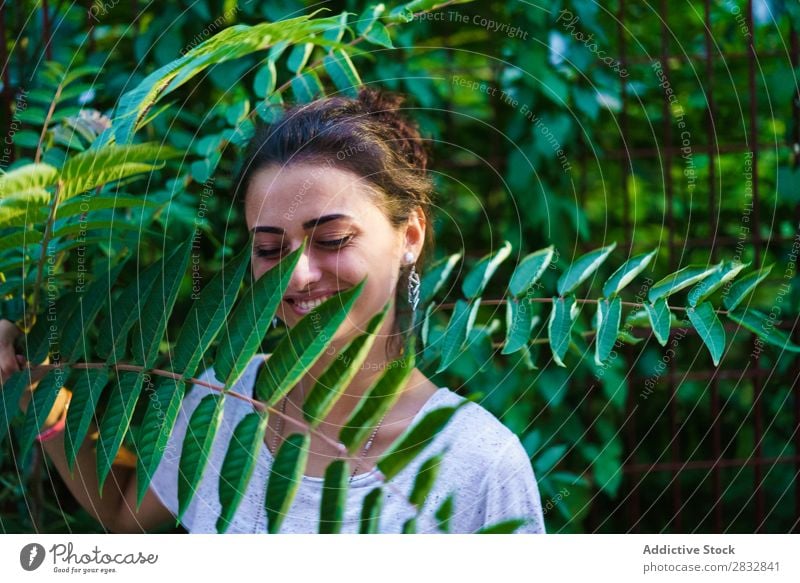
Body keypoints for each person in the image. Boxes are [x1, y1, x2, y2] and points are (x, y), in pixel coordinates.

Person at [0, 87, 546, 534]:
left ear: (410, 234)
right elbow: (128, 516)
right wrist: (30, 391)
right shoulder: (222, 404)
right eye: (268, 249)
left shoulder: (481, 463)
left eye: (331, 238)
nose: (298, 275)